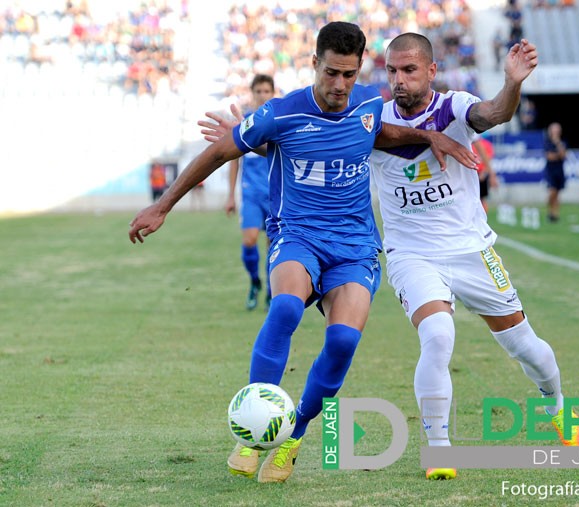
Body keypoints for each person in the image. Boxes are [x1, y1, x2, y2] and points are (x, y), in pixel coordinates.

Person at [129, 21, 478, 484]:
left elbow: (382, 133)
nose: (340, 85)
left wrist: (431, 137)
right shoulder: (281, 113)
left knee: (343, 341)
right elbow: (218, 154)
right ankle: (253, 433)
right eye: (331, 73)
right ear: (314, 63)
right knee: (286, 309)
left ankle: (291, 438)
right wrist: (162, 205)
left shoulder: (371, 105)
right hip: (298, 236)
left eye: (349, 75)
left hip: (355, 246)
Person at [370, 33, 579, 481]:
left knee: (527, 348)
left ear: (432, 71)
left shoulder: (453, 107)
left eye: (409, 70)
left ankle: (560, 409)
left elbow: (492, 113)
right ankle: (440, 450)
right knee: (437, 334)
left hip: (473, 251)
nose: (399, 80)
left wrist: (512, 84)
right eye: (392, 70)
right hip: (412, 255)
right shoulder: (373, 120)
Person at [225, 74, 275, 310]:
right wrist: (230, 195)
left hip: (275, 194)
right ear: (253, 93)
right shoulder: (245, 121)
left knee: (272, 246)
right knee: (249, 239)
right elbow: (234, 160)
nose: (263, 95)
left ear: (272, 93)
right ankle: (255, 282)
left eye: (267, 91)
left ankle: (271, 292)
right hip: (251, 193)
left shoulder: (278, 121)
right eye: (259, 91)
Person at [543, 122, 566, 222]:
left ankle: (555, 214)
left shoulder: (562, 142)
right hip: (550, 171)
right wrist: (558, 156)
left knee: (557, 193)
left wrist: (558, 143)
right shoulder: (547, 142)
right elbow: (549, 157)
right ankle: (550, 211)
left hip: (559, 171)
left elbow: (563, 155)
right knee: (552, 191)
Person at [472, 136, 499, 212]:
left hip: (480, 173)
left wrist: (485, 173)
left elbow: (488, 159)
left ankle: (483, 217)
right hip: (472, 172)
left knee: (481, 198)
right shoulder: (471, 143)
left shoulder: (486, 144)